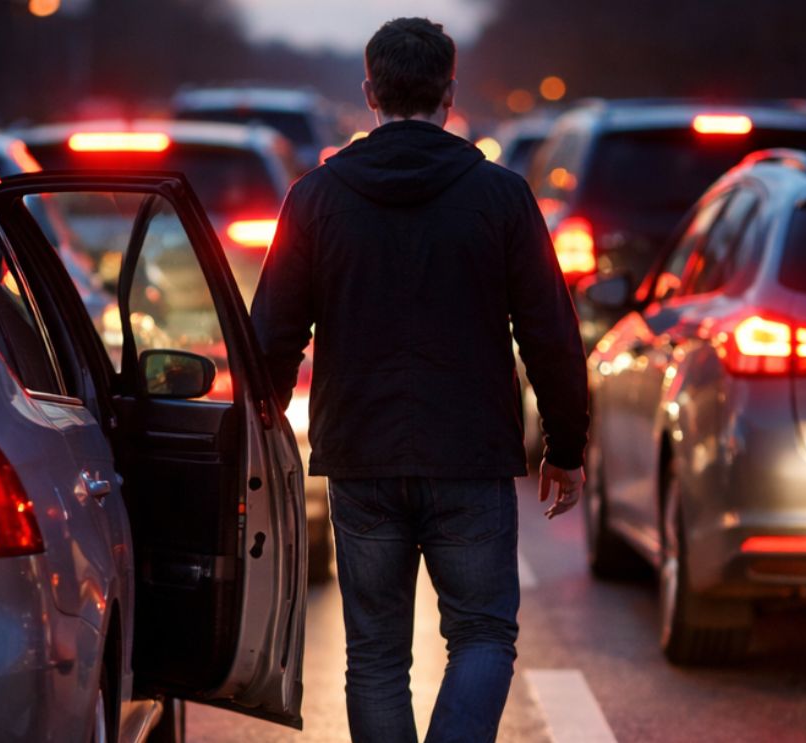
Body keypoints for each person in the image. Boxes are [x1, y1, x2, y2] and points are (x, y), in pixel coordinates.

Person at [251, 17, 589, 743]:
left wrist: (260, 432)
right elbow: (550, 333)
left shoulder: (315, 199)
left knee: (374, 655)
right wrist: (565, 442)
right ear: (449, 90)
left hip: (360, 454)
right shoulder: (500, 197)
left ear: (370, 91)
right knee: (481, 635)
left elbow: (272, 336)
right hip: (470, 454)